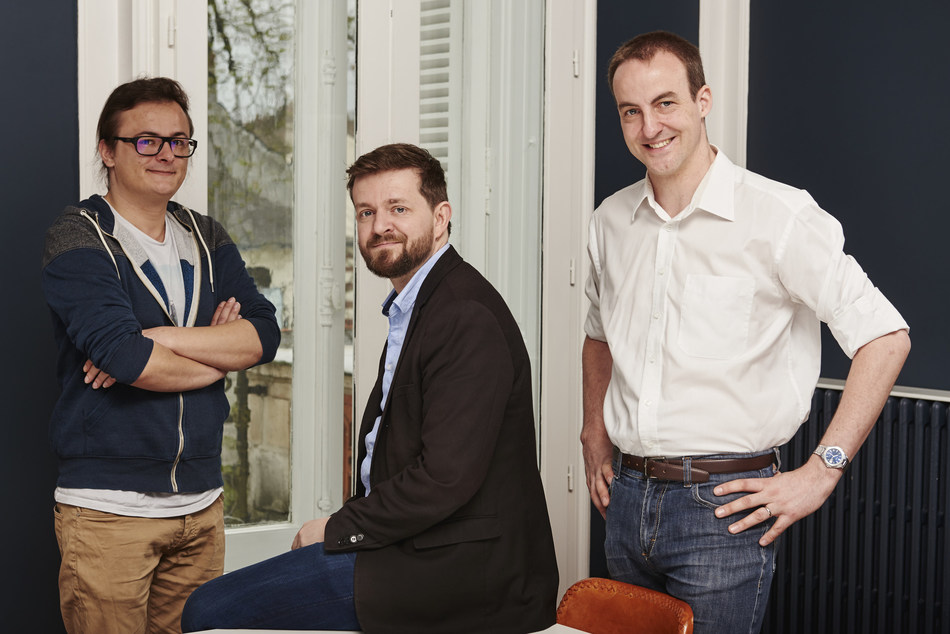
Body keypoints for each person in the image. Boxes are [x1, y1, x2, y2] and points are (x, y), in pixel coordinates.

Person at [581, 31, 910, 633]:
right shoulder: (610, 221)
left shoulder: (778, 216)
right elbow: (599, 335)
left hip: (726, 510)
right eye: (631, 111)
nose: (649, 127)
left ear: (702, 100)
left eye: (665, 103)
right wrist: (592, 433)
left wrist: (823, 469)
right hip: (626, 502)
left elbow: (884, 337)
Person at [180, 143, 559, 633]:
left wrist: (339, 529)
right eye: (366, 212)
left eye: (398, 208)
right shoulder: (418, 304)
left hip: (463, 573)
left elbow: (444, 478)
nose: (380, 225)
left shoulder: (465, 315)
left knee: (207, 612)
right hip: (414, 548)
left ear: (441, 217)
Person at [42, 77, 281, 634]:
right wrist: (219, 353)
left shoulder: (206, 235)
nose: (167, 154)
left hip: (202, 506)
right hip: (109, 513)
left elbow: (264, 334)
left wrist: (161, 338)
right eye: (146, 141)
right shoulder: (77, 234)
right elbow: (127, 359)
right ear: (108, 150)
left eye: (179, 141)